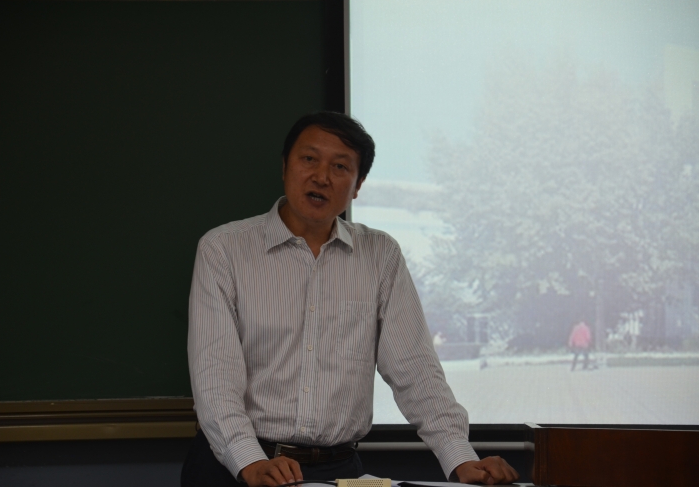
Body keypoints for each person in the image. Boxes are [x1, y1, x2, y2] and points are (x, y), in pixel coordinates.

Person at [183, 112, 519, 487]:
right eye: (309, 159)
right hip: (237, 466)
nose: (321, 176)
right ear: (284, 166)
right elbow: (215, 376)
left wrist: (461, 458)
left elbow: (415, 369)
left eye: (340, 166)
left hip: (338, 469)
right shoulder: (224, 250)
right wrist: (250, 461)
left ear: (358, 186)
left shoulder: (380, 255)